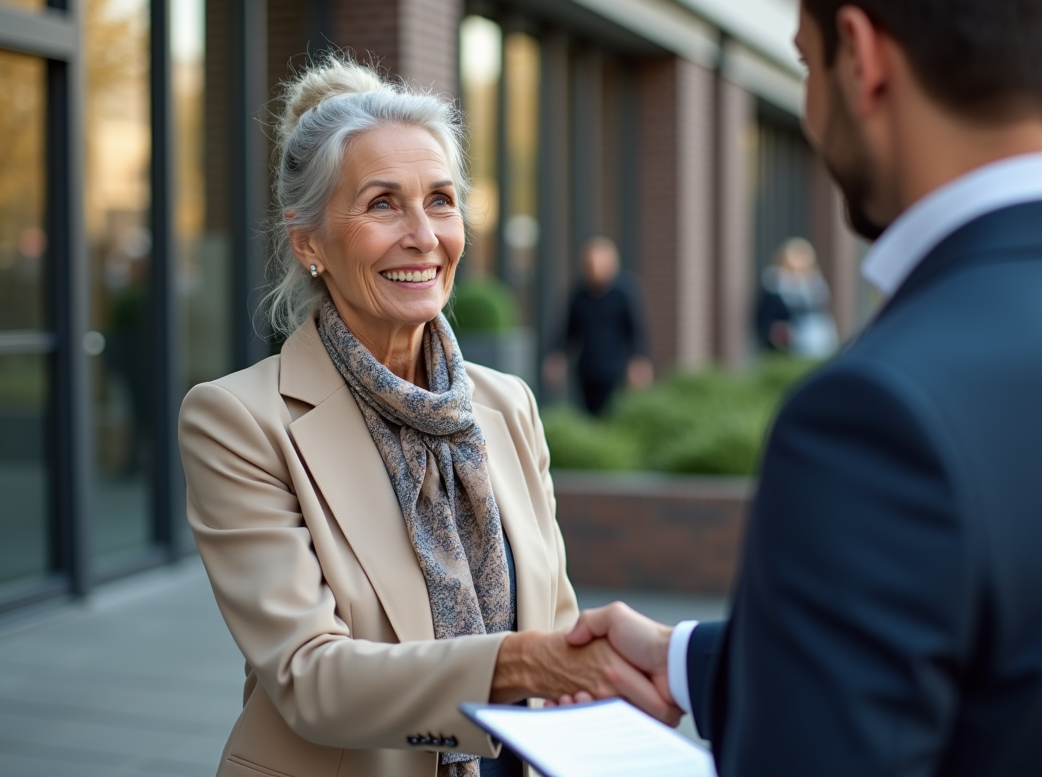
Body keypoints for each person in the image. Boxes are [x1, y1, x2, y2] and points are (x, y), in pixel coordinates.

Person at [562, 0, 1042, 774]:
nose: (808, 109)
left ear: (859, 57)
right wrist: (686, 660)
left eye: (805, 62)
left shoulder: (870, 412)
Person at [177, 57, 676, 777]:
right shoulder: (238, 422)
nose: (423, 235)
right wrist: (523, 665)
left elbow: (555, 623)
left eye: (441, 200)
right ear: (308, 241)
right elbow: (312, 680)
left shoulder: (507, 404)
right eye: (383, 204)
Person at [542, 237, 652, 415]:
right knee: (589, 412)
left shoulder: (625, 292)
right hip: (587, 368)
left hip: (616, 368)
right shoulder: (580, 294)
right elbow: (569, 330)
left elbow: (637, 329)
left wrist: (639, 360)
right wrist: (556, 355)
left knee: (614, 413)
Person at [754, 236, 839, 358]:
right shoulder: (774, 284)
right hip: (784, 349)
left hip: (816, 344)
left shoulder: (815, 286)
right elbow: (763, 319)